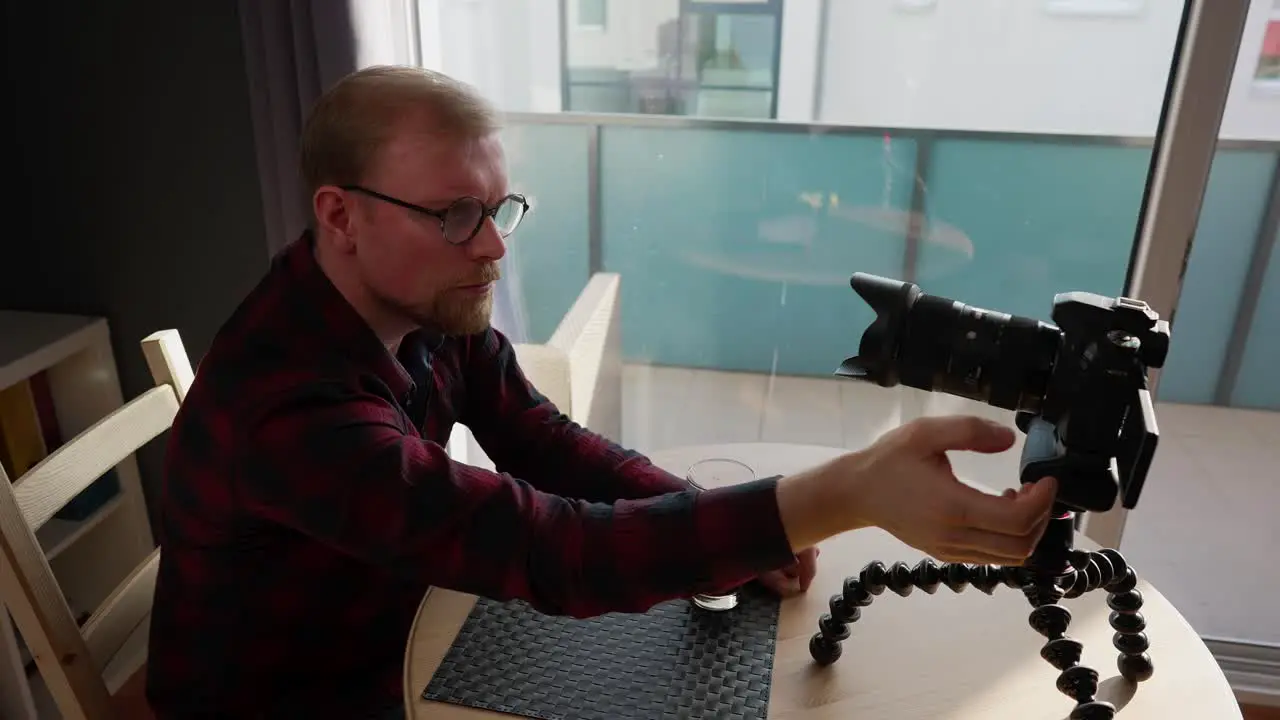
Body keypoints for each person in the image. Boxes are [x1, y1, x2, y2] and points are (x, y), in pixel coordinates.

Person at [144, 65, 1059, 719]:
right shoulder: (289, 410)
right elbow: (553, 552)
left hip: (390, 627)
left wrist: (711, 520)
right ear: (340, 215)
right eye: (455, 213)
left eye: (500, 209)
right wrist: (842, 493)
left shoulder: (409, 303)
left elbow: (539, 438)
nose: (494, 246)